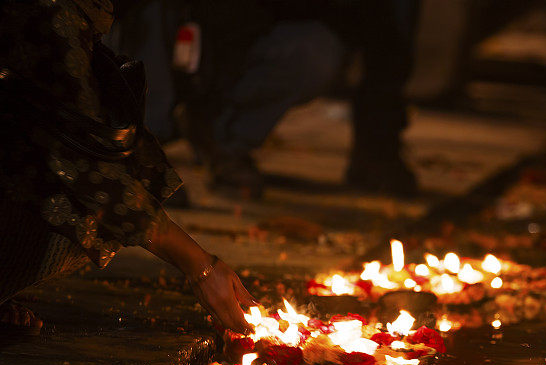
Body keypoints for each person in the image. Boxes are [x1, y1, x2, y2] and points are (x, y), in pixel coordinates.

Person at [0, 0, 255, 335]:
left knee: (130, 199)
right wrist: (200, 266)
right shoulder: (48, 13)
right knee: (99, 216)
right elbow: (89, 168)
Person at [114, 0, 420, 198]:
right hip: (165, 32)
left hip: (240, 46)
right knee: (149, 18)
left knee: (316, 51)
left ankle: (224, 140)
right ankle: (137, 152)